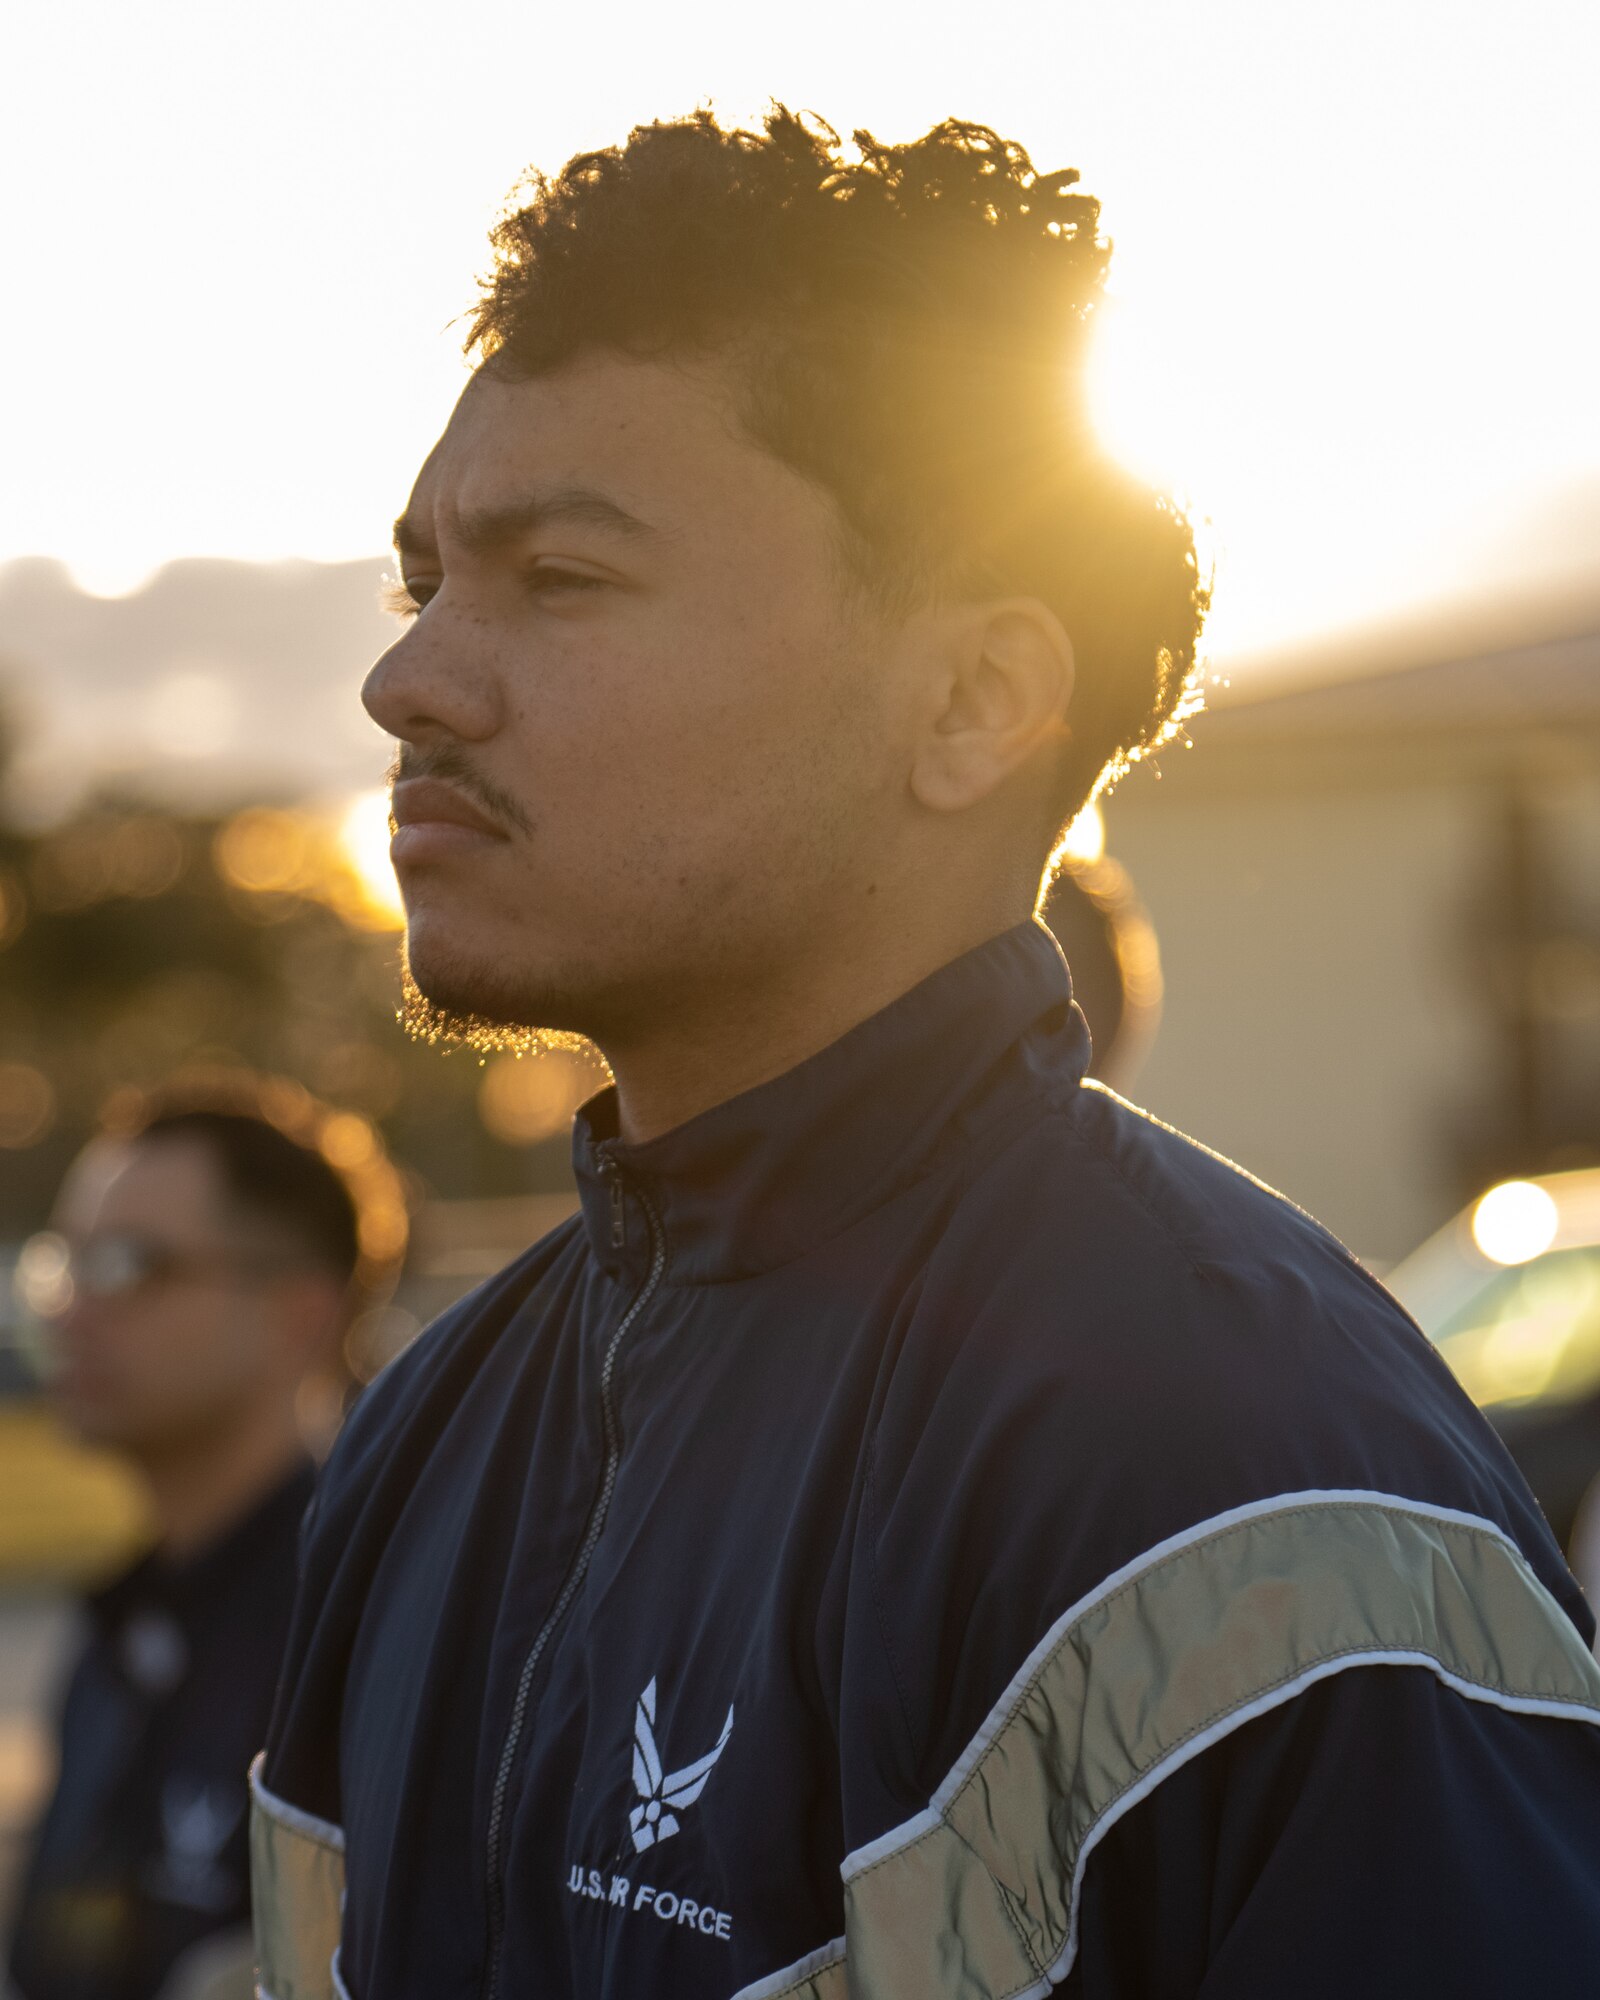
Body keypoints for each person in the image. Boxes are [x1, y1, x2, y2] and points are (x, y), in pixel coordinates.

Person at [254, 110, 1600, 2000]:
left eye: (557, 581)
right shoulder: (427, 1439)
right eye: (424, 584)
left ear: (973, 700)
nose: (409, 682)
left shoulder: (1253, 1476)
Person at [7, 1097, 363, 2000]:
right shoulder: (123, 1617)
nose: (74, 1308)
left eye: (130, 1265)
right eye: (67, 1262)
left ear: (302, 1317)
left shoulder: (359, 1626)